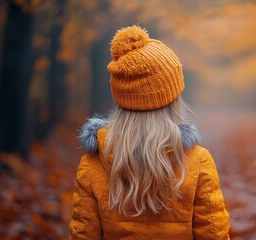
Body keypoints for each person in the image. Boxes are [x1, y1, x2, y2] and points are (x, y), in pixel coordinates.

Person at [69, 25, 230, 240]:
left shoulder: (94, 162)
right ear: (172, 99)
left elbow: (83, 235)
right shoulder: (197, 161)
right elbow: (213, 234)